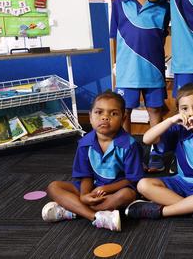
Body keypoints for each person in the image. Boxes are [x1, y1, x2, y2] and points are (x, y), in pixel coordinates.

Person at [125, 83, 193, 228]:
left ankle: (162, 211)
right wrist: (170, 120)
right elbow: (147, 139)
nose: (191, 113)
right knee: (143, 185)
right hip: (181, 182)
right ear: (178, 111)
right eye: (185, 108)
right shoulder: (178, 130)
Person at [42, 91, 143, 232]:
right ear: (90, 117)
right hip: (91, 187)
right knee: (53, 187)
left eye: (113, 114)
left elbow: (132, 179)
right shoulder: (85, 143)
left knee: (127, 195)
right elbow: (86, 175)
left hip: (116, 189)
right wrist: (84, 195)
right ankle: (95, 216)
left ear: (123, 118)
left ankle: (73, 211)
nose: (105, 117)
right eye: (99, 112)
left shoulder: (129, 145)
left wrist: (105, 189)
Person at [109, 0, 170, 133]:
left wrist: (166, 57)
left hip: (154, 71)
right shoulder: (118, 2)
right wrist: (114, 65)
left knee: (155, 110)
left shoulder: (163, 5)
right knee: (124, 111)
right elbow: (113, 36)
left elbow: (166, 34)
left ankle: (157, 152)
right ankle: (127, 151)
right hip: (127, 72)